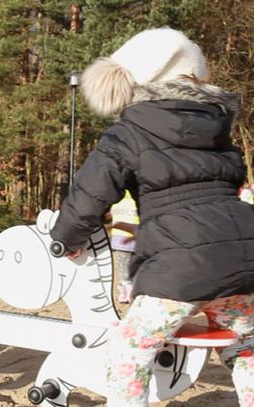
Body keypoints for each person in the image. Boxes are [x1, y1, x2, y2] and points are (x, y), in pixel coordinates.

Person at [50, 28, 253, 406]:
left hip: (183, 263)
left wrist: (66, 238)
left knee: (130, 348)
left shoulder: (130, 131)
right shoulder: (218, 129)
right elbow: (234, 181)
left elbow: (91, 193)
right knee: (244, 346)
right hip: (246, 251)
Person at [109, 191, 139, 304]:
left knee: (122, 269)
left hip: (119, 240)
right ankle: (131, 289)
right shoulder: (139, 197)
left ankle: (125, 292)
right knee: (135, 268)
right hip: (137, 238)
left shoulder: (115, 198)